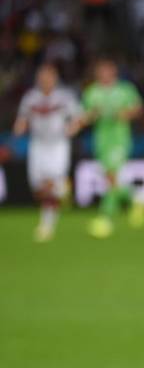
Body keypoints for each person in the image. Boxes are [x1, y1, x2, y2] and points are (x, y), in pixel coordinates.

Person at [11, 63, 82, 242]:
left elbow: (78, 118)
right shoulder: (30, 98)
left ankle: (47, 225)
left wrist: (71, 129)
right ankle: (63, 189)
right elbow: (22, 118)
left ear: (55, 78)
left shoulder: (64, 97)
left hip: (58, 145)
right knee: (38, 189)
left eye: (48, 77)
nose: (45, 80)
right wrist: (19, 128)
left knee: (49, 184)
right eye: (42, 77)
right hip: (38, 145)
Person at [77, 58, 144, 238]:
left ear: (113, 72)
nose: (103, 74)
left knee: (111, 178)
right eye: (100, 71)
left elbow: (138, 108)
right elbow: (86, 116)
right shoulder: (91, 92)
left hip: (119, 138)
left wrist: (125, 113)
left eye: (107, 71)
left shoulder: (125, 90)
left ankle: (105, 219)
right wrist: (92, 115)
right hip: (101, 140)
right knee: (110, 179)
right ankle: (134, 198)